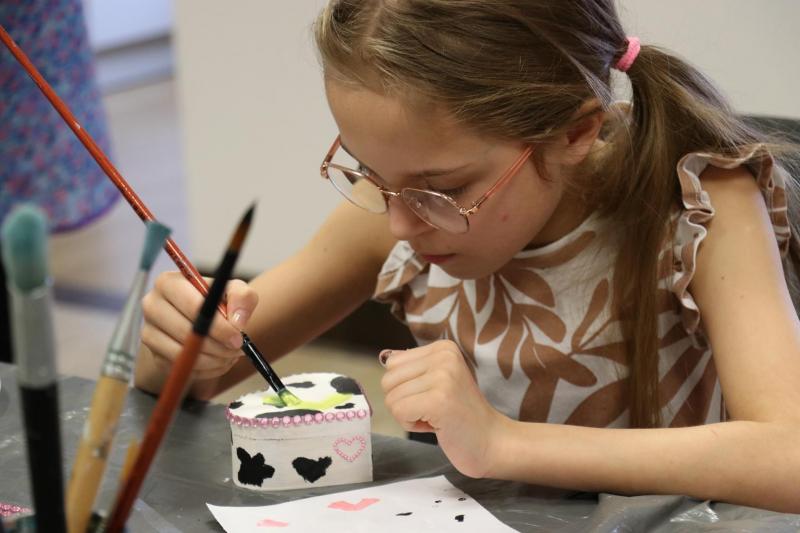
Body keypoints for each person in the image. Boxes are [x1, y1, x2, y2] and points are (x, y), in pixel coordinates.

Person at [134, 0, 800, 512]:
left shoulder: (702, 206)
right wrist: (181, 345)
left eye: (442, 190)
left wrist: (505, 442)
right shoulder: (398, 206)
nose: (399, 222)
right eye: (370, 173)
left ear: (576, 131)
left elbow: (789, 456)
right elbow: (184, 386)